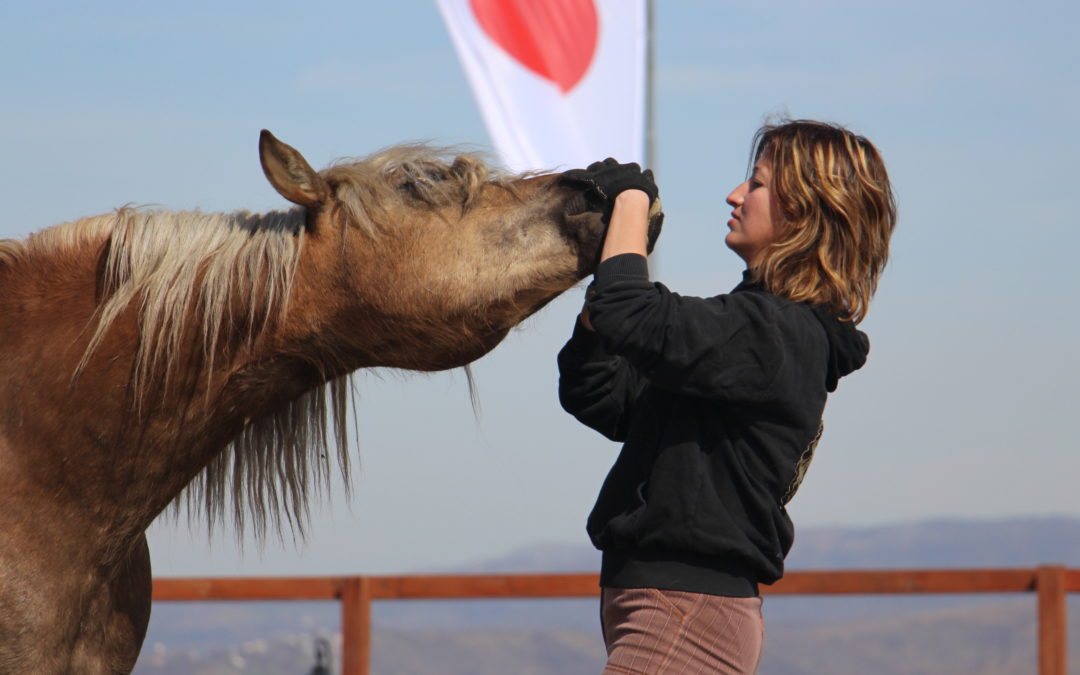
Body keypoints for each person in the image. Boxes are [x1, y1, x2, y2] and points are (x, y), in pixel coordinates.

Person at [557, 119, 897, 674]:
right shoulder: (758, 331)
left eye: (757, 184)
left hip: (684, 610)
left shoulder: (778, 335)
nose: (735, 195)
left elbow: (634, 315)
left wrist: (632, 205)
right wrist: (603, 301)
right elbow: (607, 398)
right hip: (664, 605)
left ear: (807, 210)